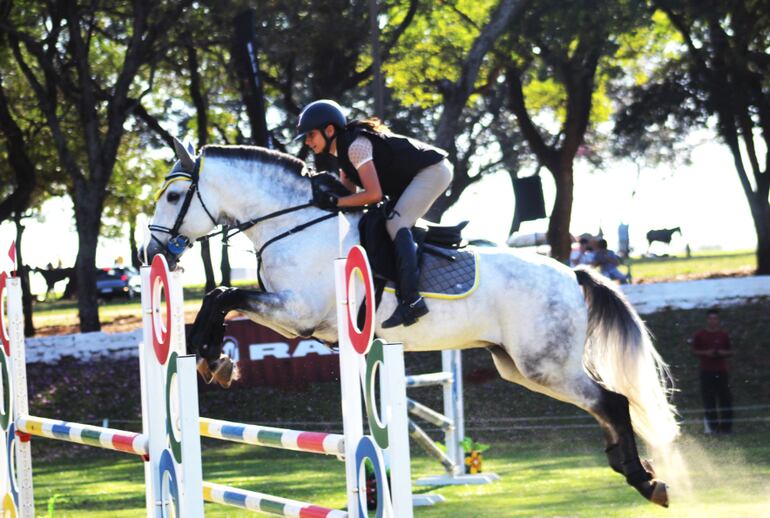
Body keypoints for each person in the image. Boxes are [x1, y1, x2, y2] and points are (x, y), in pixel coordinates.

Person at [295, 99, 453, 328]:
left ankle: (411, 300)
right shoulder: (342, 155)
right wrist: (323, 200)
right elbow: (348, 197)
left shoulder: (355, 147)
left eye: (310, 135)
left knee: (395, 224)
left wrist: (336, 201)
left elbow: (373, 195)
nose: (307, 142)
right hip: (412, 178)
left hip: (433, 171)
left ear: (329, 130)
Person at [691, 308, 734, 434]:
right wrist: (706, 353)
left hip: (721, 371)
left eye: (715, 318)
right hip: (706, 371)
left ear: (718, 320)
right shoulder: (700, 335)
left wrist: (720, 353)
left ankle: (726, 428)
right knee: (709, 400)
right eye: (710, 318)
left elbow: (731, 351)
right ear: (707, 320)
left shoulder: (723, 335)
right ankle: (713, 428)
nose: (712, 321)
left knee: (725, 399)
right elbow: (694, 350)